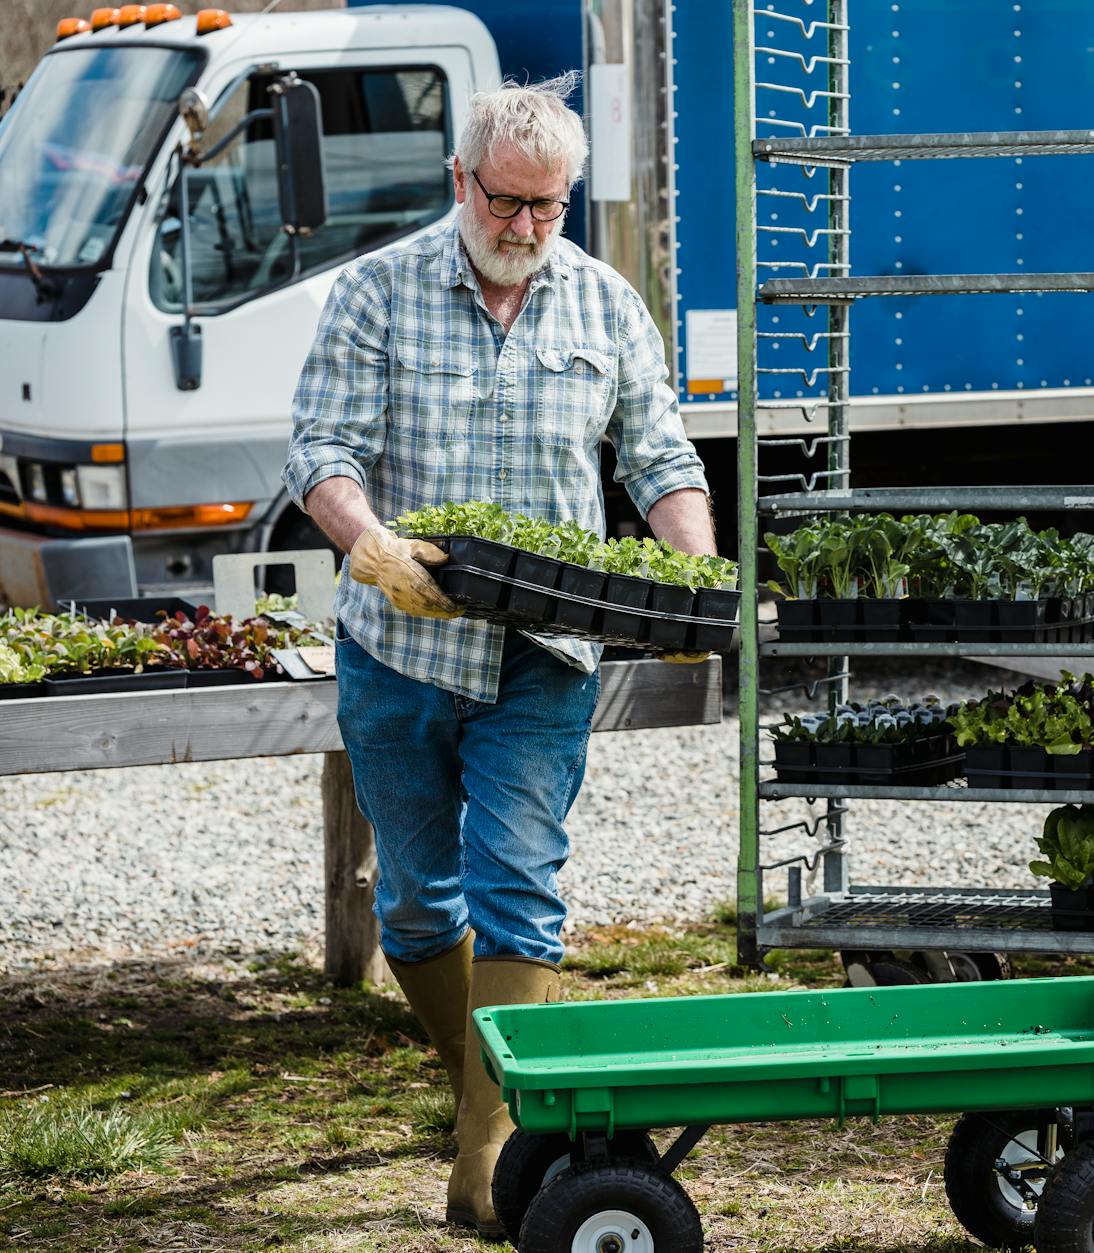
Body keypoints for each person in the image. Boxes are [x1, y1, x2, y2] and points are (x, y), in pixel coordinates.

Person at [281, 74, 714, 1236]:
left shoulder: (604, 303)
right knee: (421, 904)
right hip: (399, 648)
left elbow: (659, 459)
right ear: (460, 180)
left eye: (549, 207)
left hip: (544, 651)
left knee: (520, 884)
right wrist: (367, 543)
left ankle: (487, 1159)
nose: (526, 228)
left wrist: (696, 578)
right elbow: (320, 446)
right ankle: (490, 1085)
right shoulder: (376, 293)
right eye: (508, 202)